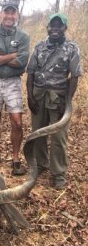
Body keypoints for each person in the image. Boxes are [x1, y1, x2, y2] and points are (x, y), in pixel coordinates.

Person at [26, 13, 82, 190]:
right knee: (38, 132)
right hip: (38, 94)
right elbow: (31, 73)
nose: (55, 28)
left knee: (58, 136)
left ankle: (58, 173)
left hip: (58, 97)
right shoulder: (39, 46)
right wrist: (29, 96)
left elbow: (74, 76)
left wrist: (68, 101)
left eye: (59, 25)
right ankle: (41, 165)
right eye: (52, 25)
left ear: (65, 28)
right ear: (47, 28)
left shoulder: (72, 48)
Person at [0, 1, 30, 175]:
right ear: (0, 14)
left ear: (16, 15)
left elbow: (21, 62)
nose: (9, 16)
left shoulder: (23, 37)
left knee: (17, 122)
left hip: (13, 82)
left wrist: (0, 56)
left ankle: (16, 158)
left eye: (13, 13)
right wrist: (12, 55)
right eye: (6, 12)